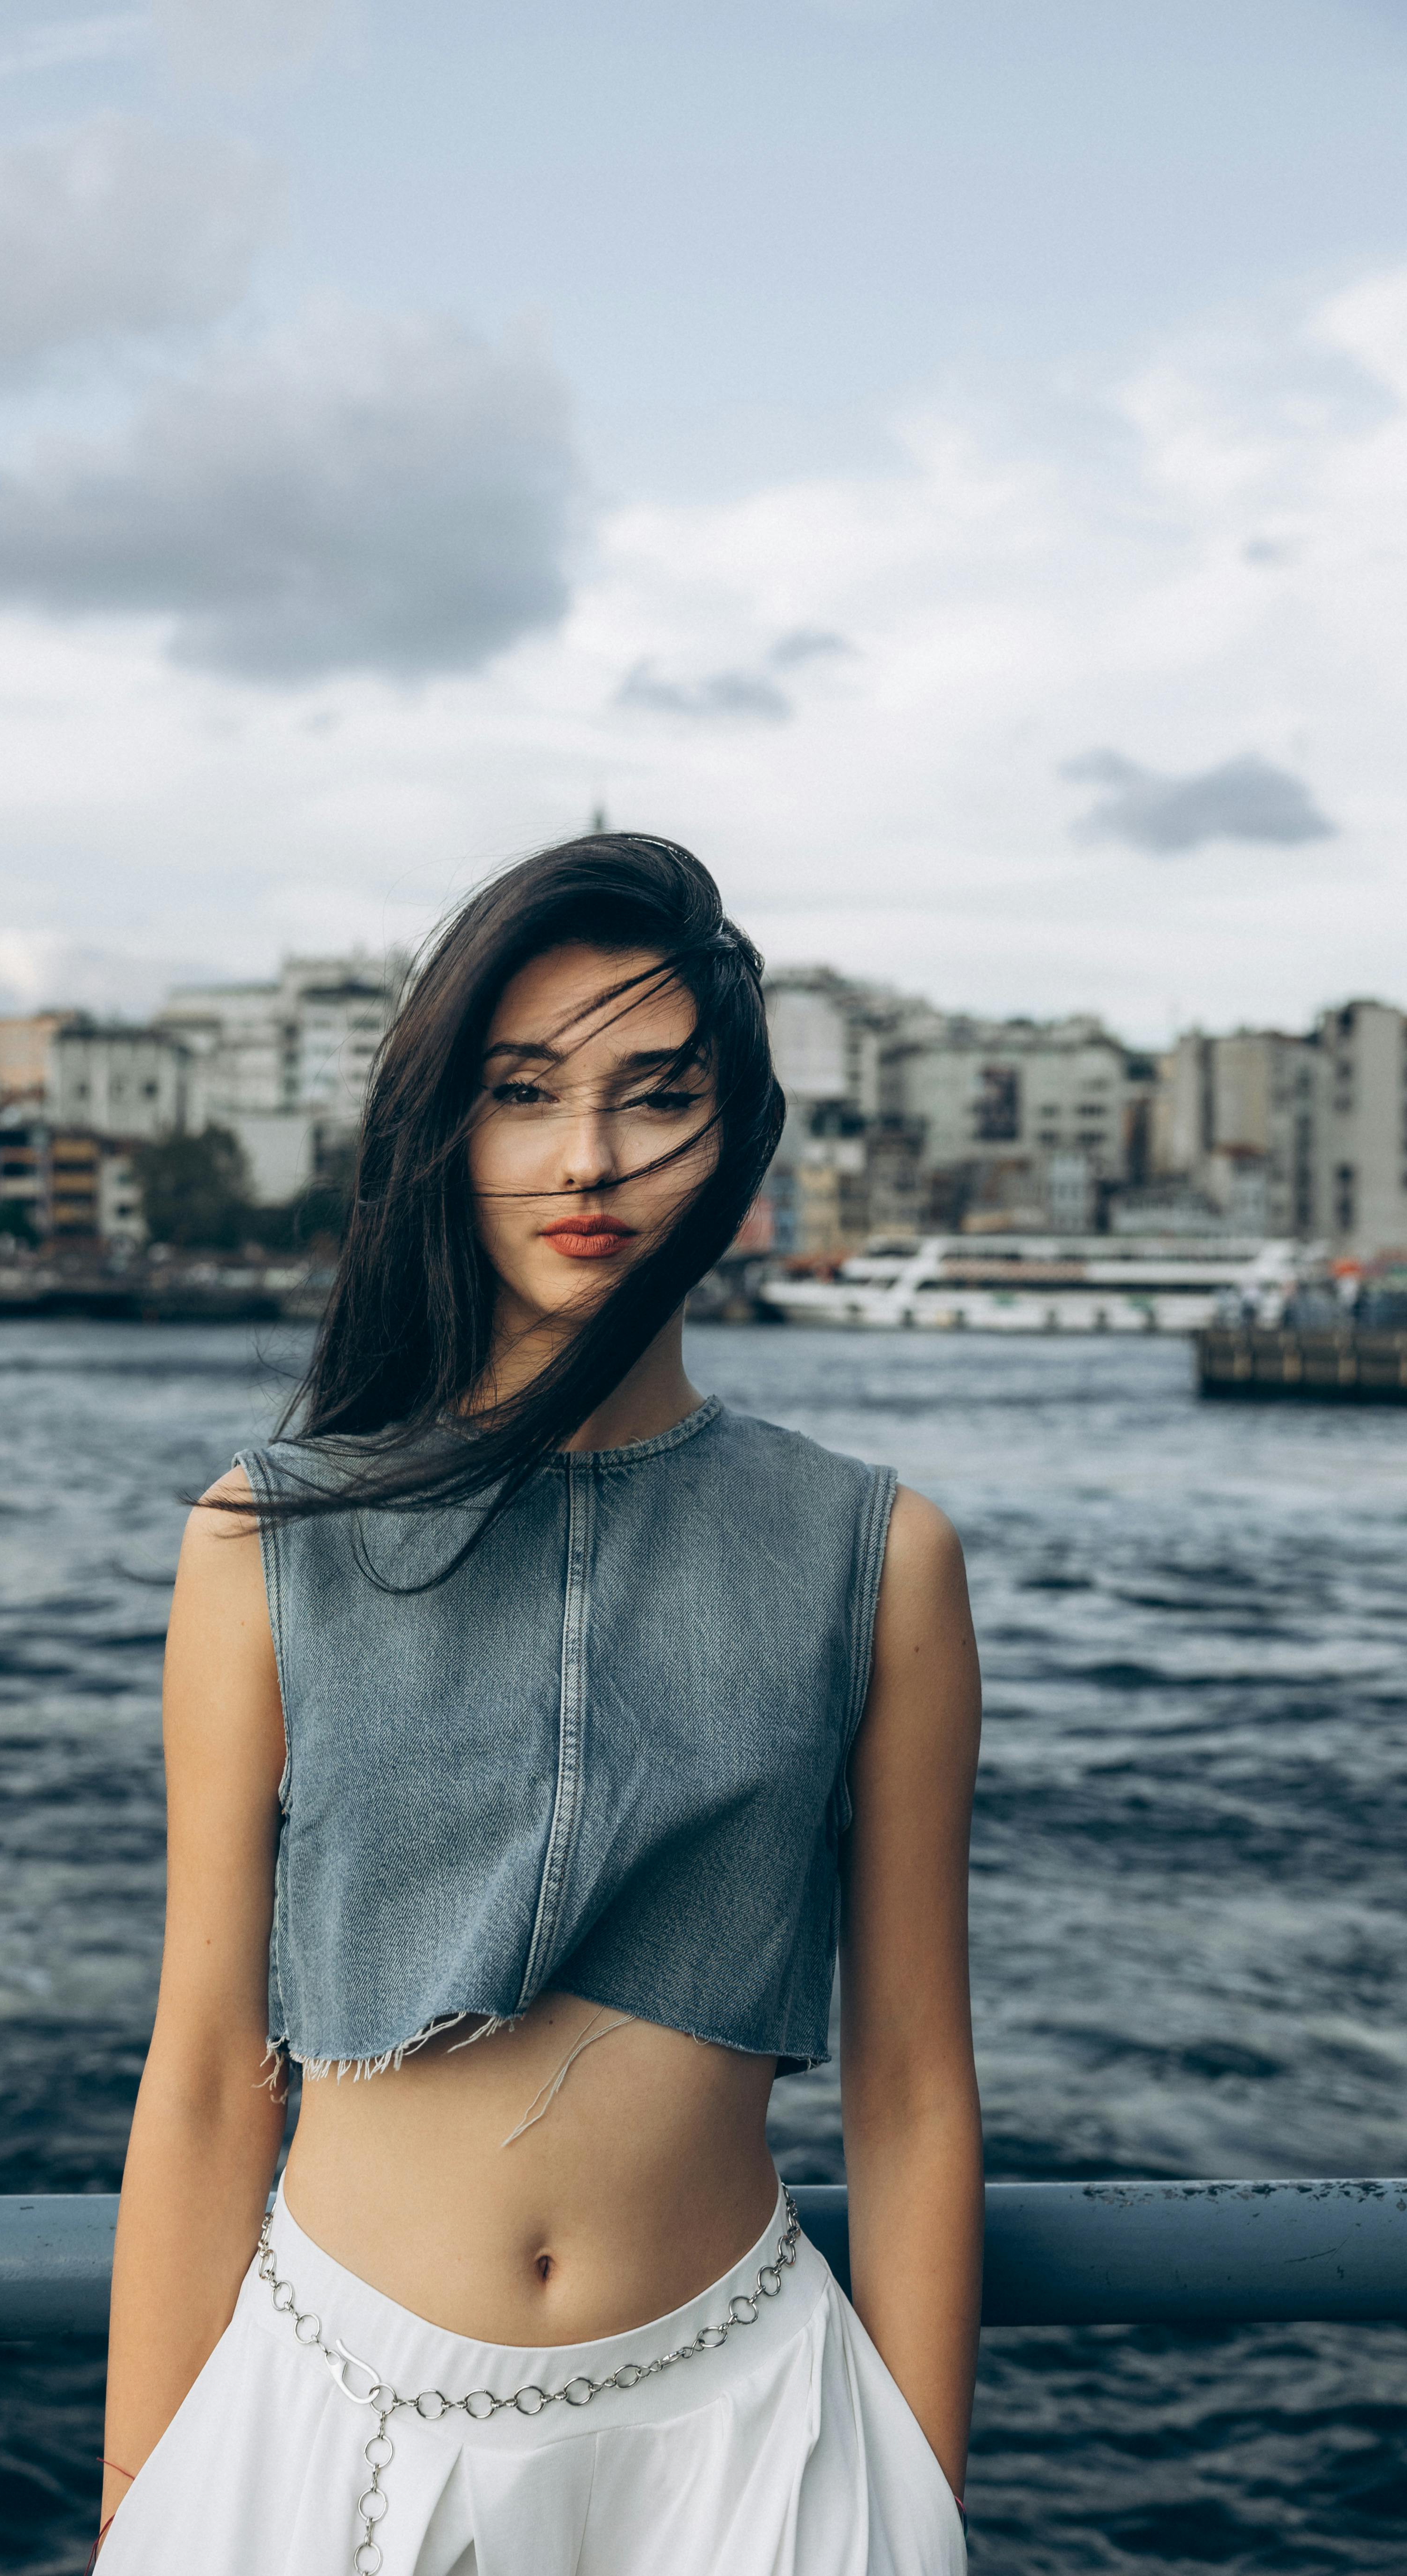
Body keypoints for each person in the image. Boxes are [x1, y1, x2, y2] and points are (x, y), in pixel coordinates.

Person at [92, 836, 982, 2574]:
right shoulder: (268, 1535)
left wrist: (921, 2493)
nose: (590, 1158)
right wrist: (140, 2492)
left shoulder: (878, 1553)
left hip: (751, 2428)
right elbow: (207, 2071)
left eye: (658, 1096)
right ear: (448, 1134)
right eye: (523, 1093)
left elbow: (913, 2082)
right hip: (321, 2415)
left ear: (737, 1139)